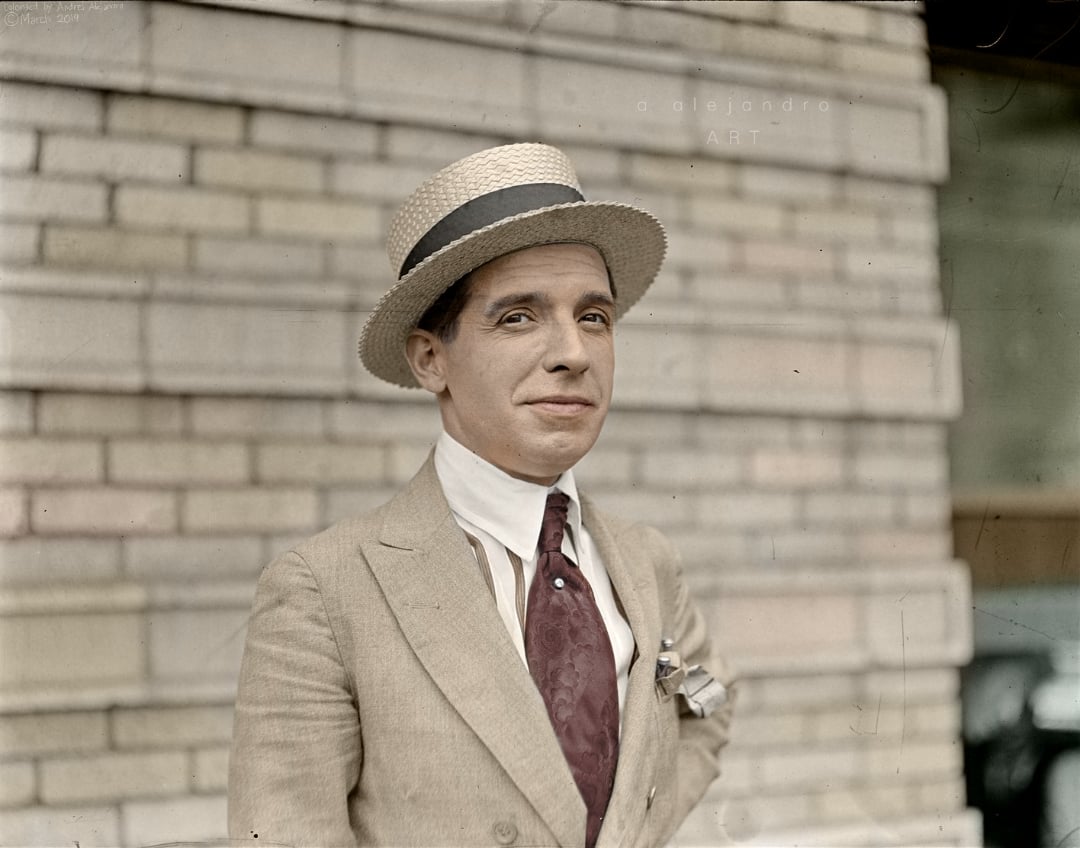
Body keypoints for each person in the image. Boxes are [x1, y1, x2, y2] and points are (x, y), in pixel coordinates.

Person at [228, 143, 735, 848]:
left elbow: (706, 709)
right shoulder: (323, 590)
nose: (575, 353)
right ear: (431, 358)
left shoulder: (646, 562)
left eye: (594, 317)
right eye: (519, 317)